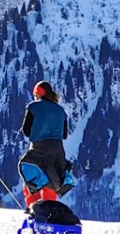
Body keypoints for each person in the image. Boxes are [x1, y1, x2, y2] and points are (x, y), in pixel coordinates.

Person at [18, 79, 78, 223]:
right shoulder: (61, 110)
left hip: (38, 147)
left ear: (37, 94)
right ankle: (49, 211)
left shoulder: (33, 107)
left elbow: (26, 131)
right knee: (53, 180)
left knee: (32, 177)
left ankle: (34, 208)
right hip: (57, 149)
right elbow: (64, 134)